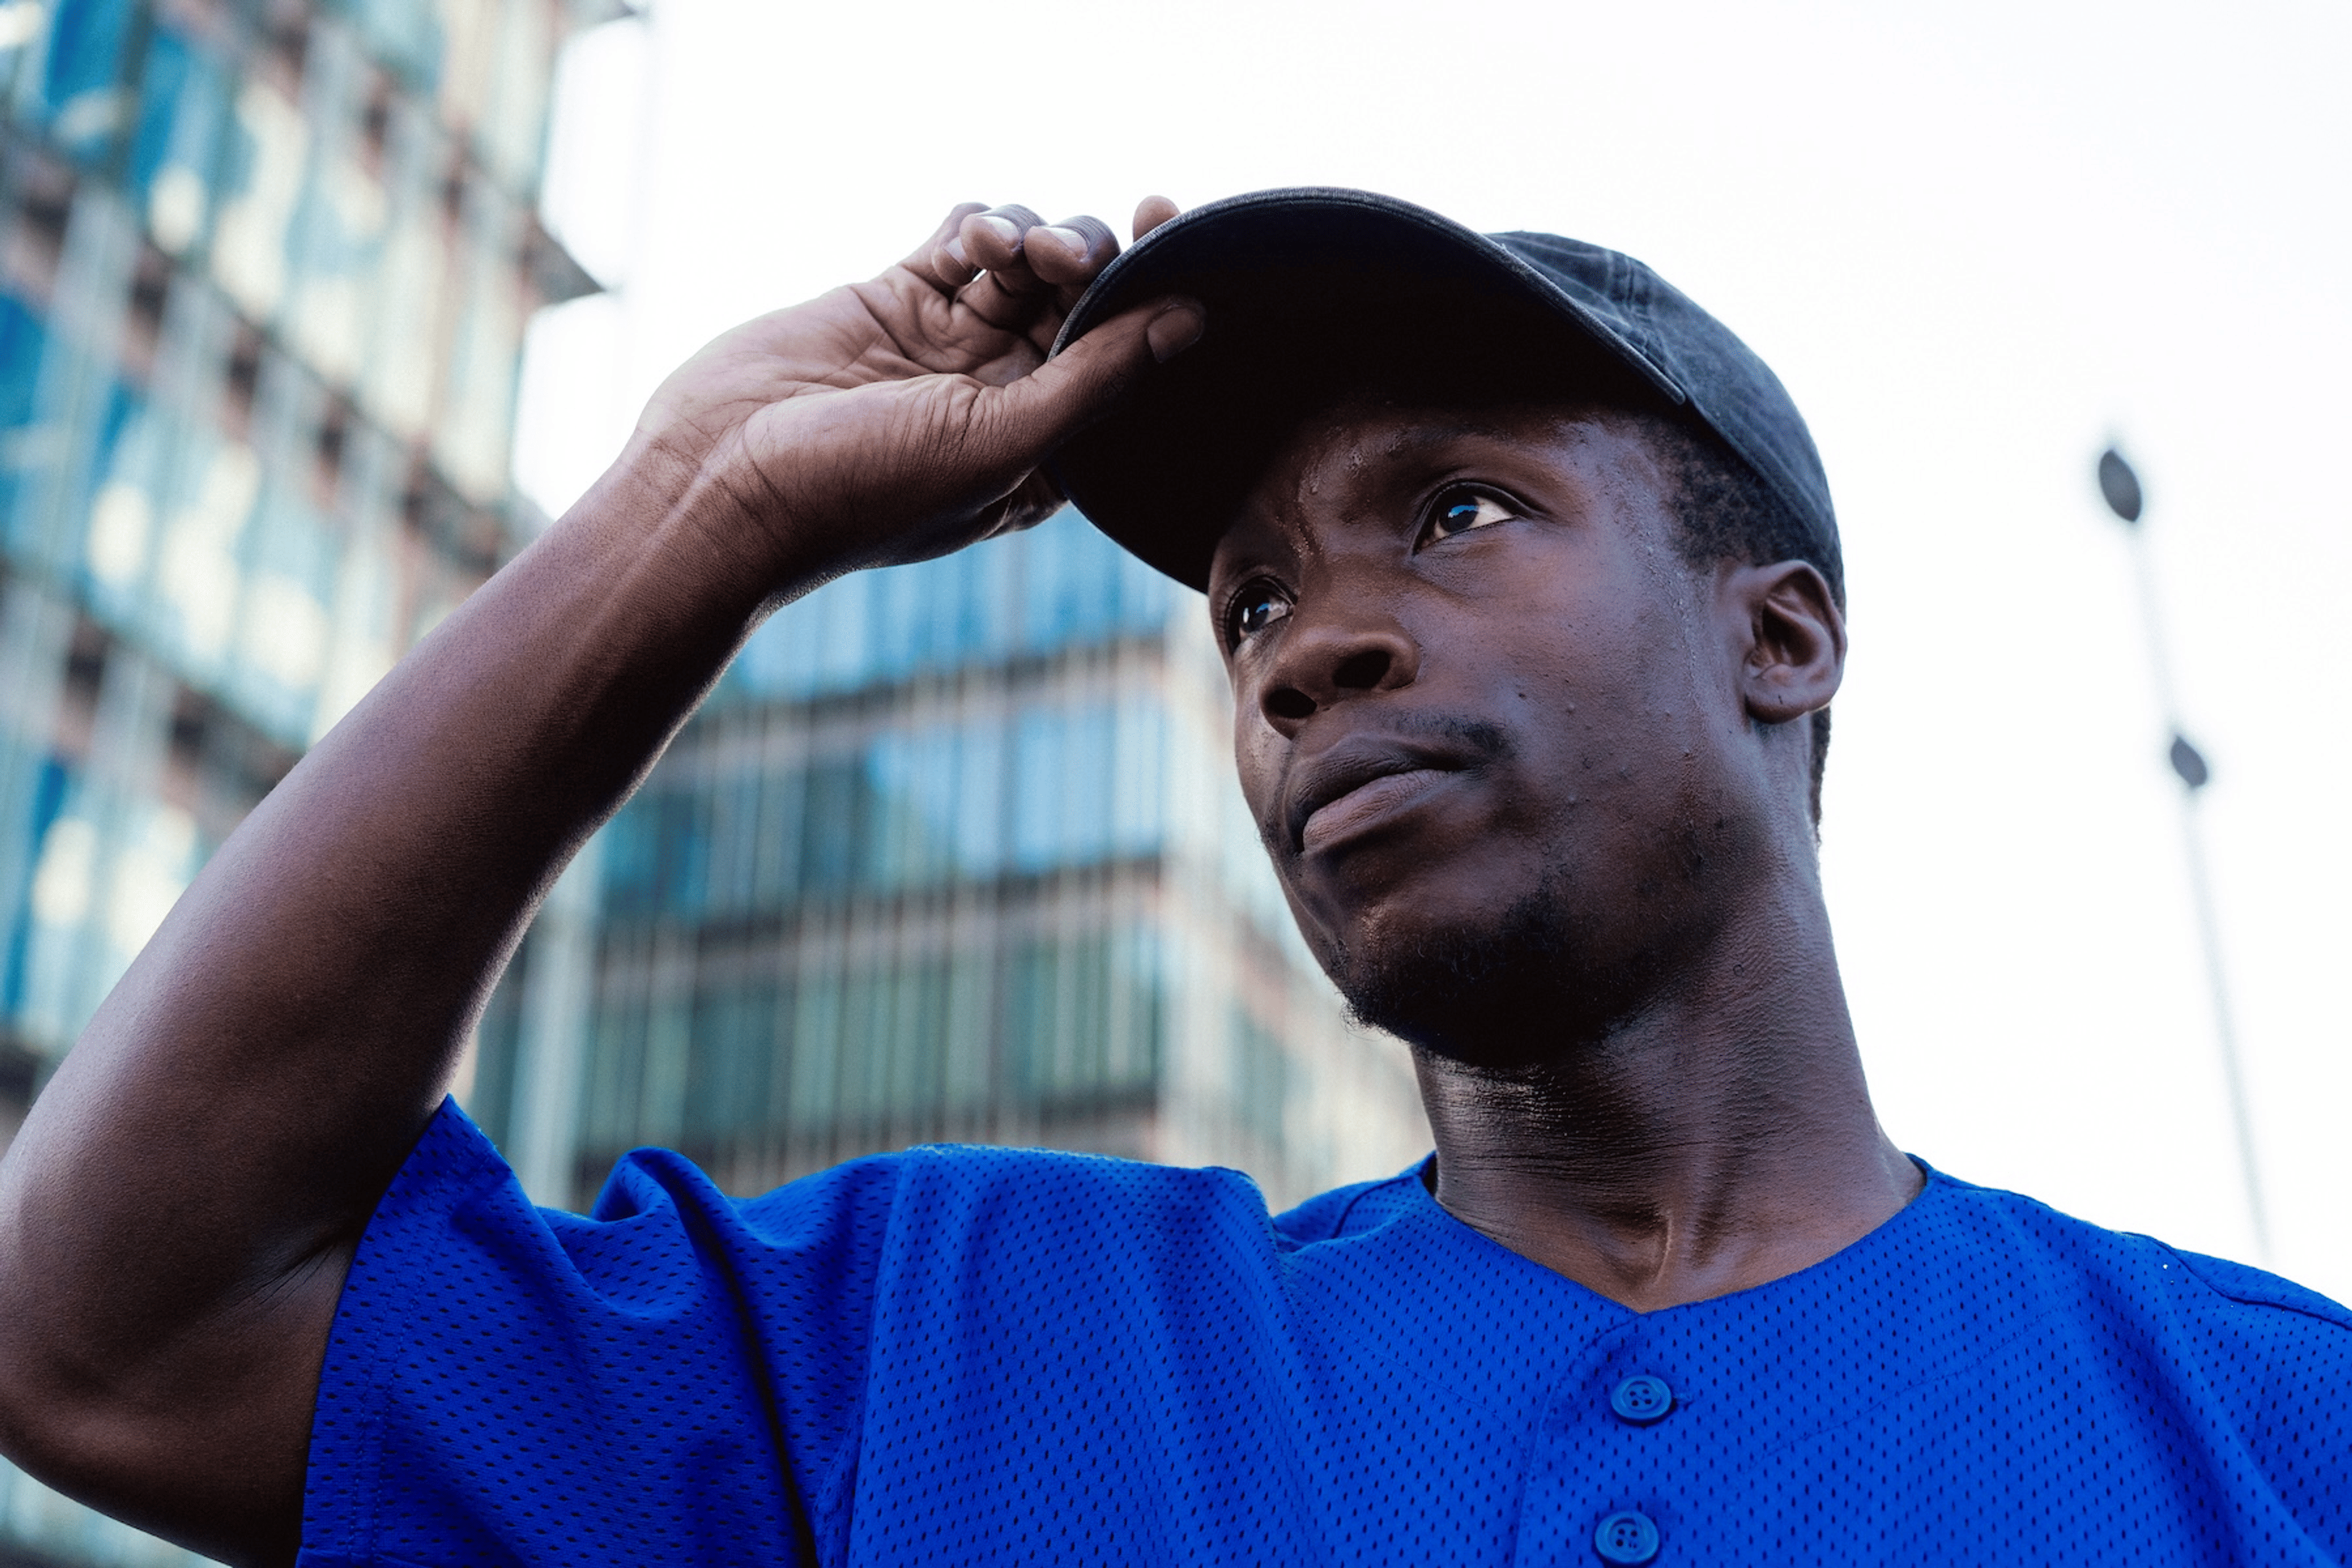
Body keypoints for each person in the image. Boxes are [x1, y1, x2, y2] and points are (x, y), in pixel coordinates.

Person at [0, 187, 2343, 1568]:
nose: (1311, 645)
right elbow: (116, 1327)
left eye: (1456, 508)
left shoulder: (2271, 1437)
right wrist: (704, 513)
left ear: (1782, 633)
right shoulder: (941, 1342)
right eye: (1244, 606)